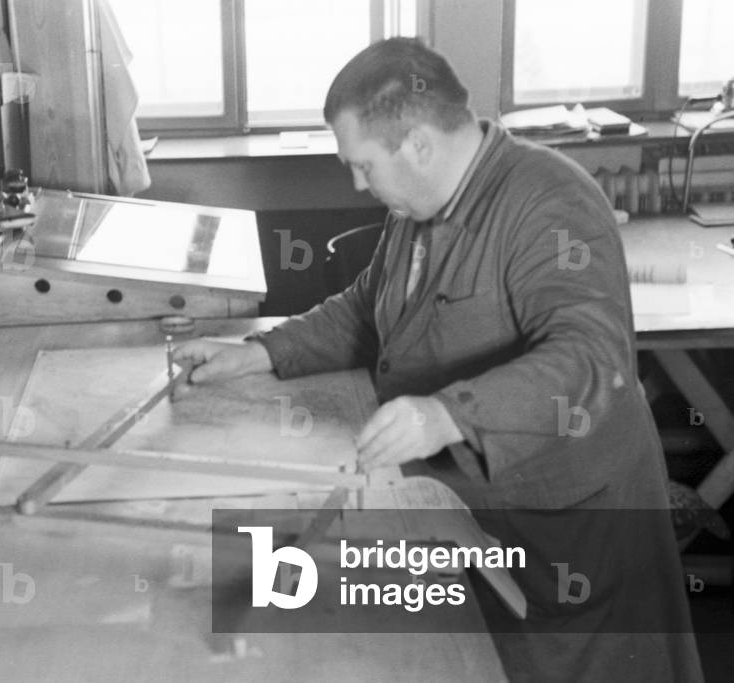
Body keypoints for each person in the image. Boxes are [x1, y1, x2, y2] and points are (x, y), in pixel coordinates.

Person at [175, 38, 704, 682]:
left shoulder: (551, 203)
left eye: (364, 166)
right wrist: (256, 354)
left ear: (419, 144)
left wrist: (447, 415)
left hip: (568, 527)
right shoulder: (421, 203)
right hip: (476, 511)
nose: (356, 183)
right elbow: (370, 306)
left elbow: (592, 359)